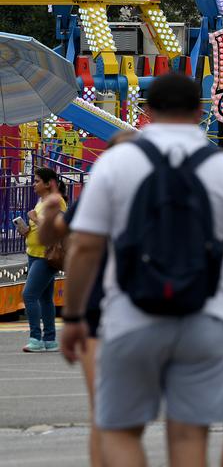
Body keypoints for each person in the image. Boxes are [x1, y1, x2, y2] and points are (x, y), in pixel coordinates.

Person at [59, 72, 223, 467]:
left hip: (130, 316)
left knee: (121, 432)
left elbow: (84, 247)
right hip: (206, 318)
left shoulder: (116, 163)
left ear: (147, 110)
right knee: (188, 436)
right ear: (199, 112)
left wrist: (75, 316)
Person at [38, 129, 135, 466]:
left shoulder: (102, 194)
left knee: (105, 414)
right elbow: (54, 236)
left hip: (106, 311)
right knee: (124, 419)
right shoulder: (167, 194)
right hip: (141, 312)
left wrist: (73, 317)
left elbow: (76, 249)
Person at [20, 167, 65, 353]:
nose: (34, 184)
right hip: (34, 253)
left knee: (29, 295)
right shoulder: (42, 201)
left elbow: (57, 228)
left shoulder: (57, 202)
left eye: (37, 181)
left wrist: (36, 219)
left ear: (48, 184)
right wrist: (27, 230)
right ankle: (50, 340)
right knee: (46, 298)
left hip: (46, 256)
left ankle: (36, 338)